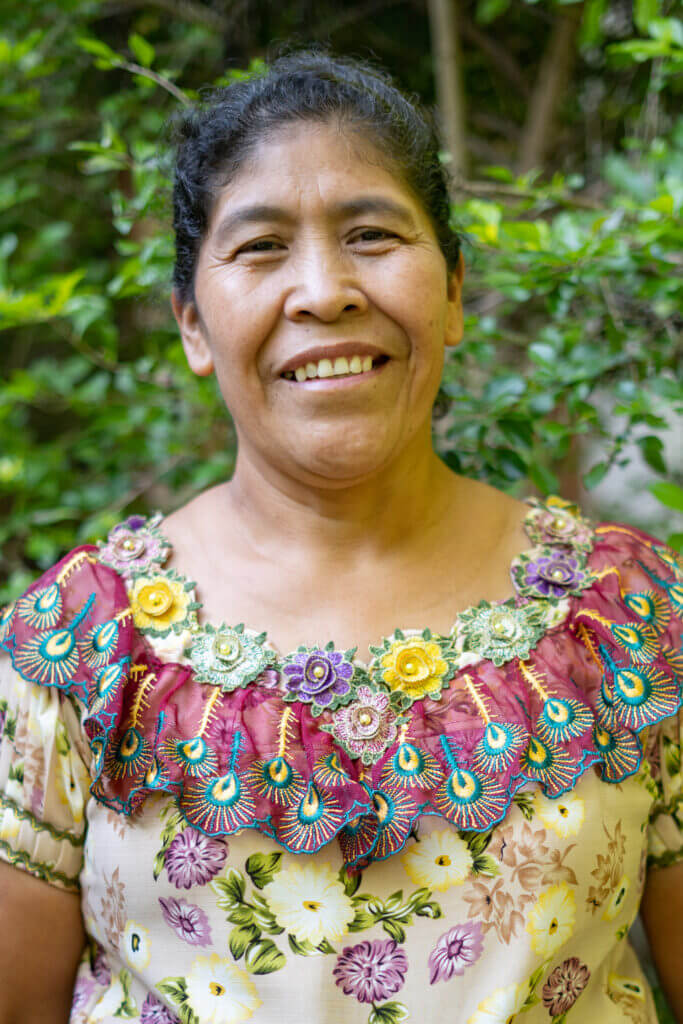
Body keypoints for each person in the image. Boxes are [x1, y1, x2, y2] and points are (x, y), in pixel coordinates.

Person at [0, 47, 681, 1024]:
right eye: (261, 246)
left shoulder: (626, 623)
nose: (322, 291)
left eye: (370, 233)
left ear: (451, 291)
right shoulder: (90, 650)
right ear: (193, 323)